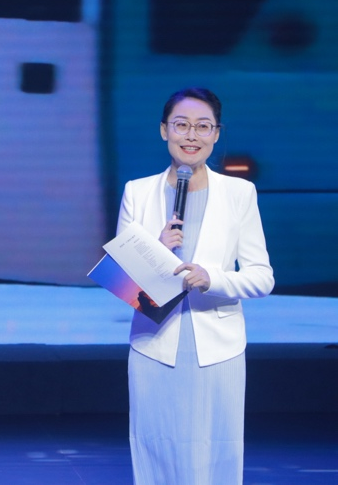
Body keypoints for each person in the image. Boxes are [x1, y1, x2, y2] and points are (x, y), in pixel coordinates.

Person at [117, 87, 274, 485]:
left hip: (218, 347)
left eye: (203, 126)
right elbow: (123, 282)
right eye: (181, 125)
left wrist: (212, 278)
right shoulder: (138, 192)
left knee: (216, 452)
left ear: (216, 134)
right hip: (154, 345)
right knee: (155, 448)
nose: (191, 135)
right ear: (163, 131)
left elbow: (262, 276)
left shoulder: (239, 193)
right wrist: (154, 247)